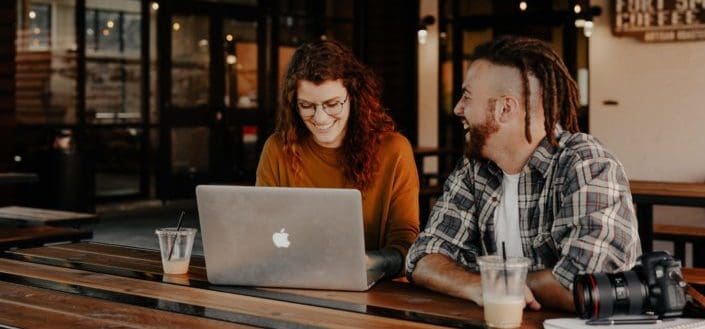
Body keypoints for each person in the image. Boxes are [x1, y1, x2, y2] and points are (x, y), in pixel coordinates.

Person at [405, 36, 641, 311]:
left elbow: (585, 284)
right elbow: (423, 258)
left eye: (467, 97)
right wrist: (476, 286)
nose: (458, 108)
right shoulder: (474, 168)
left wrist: (495, 284)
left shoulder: (587, 163)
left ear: (505, 108)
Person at [256, 40, 420, 277]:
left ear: (354, 97)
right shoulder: (277, 148)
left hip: (375, 290)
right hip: (293, 281)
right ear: (294, 105)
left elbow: (407, 245)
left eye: (332, 104)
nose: (320, 118)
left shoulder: (394, 151)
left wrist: (369, 262)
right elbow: (260, 233)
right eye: (307, 106)